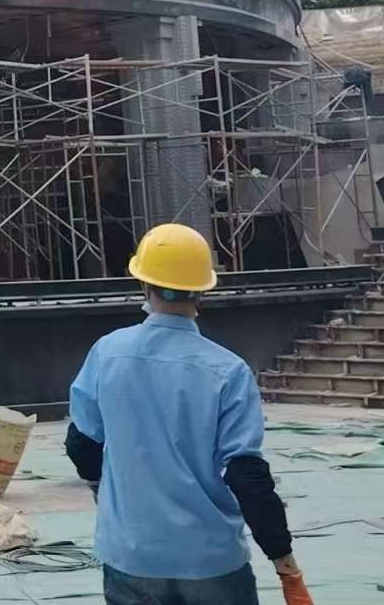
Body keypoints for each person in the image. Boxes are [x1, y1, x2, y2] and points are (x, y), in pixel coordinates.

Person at [65, 223, 306, 605]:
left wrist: (102, 491)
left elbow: (81, 442)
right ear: (202, 290)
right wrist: (286, 567)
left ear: (144, 285)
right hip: (210, 562)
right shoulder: (228, 371)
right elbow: (246, 475)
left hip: (131, 557)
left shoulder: (107, 353)